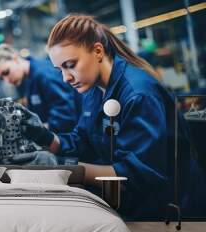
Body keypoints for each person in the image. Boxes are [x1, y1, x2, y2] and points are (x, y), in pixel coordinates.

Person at [20, 14, 204, 219]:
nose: (66, 77)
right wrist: (46, 138)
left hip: (171, 212)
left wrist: (63, 168)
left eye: (70, 65)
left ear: (98, 51)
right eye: (60, 69)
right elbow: (84, 139)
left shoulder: (138, 94)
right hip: (135, 205)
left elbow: (135, 174)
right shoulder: (93, 91)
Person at [0, 44, 83, 133]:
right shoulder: (28, 79)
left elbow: (67, 113)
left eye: (6, 72)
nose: (6, 80)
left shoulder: (43, 74)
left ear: (15, 58)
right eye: (1, 78)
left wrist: (39, 131)